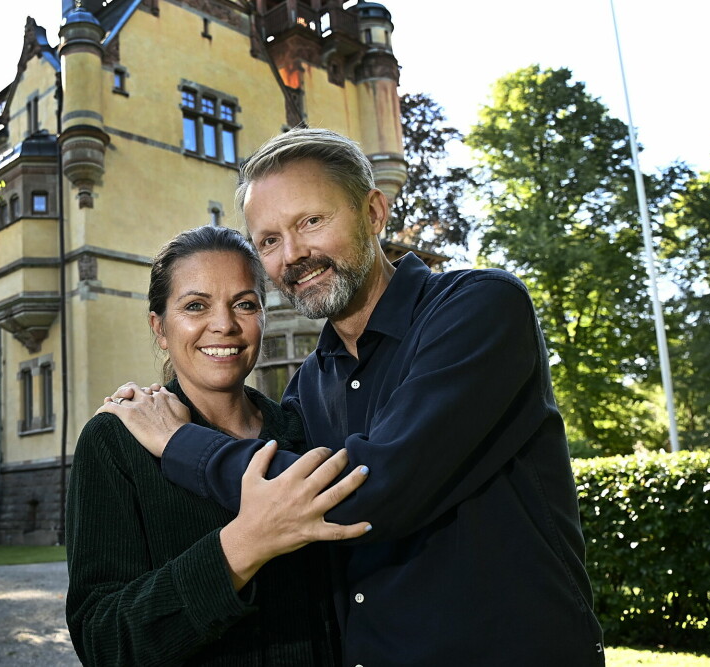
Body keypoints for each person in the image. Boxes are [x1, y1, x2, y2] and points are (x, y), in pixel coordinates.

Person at [101, 129, 606, 666]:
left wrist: (179, 442)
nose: (293, 255)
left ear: (373, 211)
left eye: (311, 222)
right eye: (269, 240)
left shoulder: (480, 309)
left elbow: (370, 494)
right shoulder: (305, 389)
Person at [65, 225, 372, 666]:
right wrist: (244, 544)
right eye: (195, 306)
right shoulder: (116, 442)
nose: (224, 325)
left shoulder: (302, 430)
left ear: (263, 316)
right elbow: (104, 641)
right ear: (160, 327)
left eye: (244, 304)